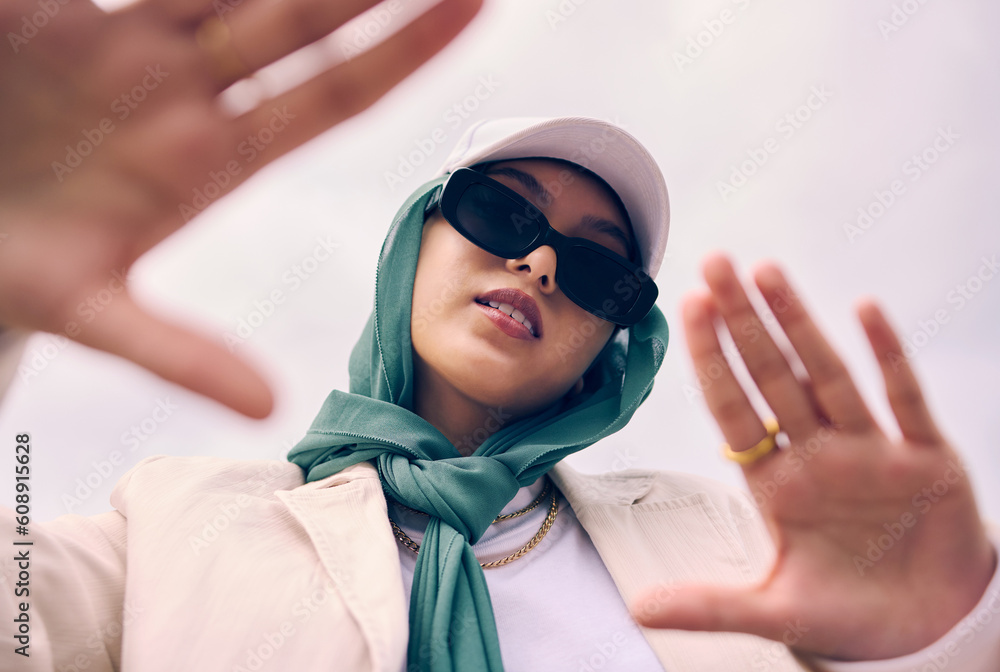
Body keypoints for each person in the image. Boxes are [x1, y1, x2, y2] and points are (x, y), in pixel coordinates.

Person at [0, 2, 997, 672]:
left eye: (599, 268)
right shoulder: (175, 524)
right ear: (410, 248)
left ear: (615, 343)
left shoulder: (733, 548)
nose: (539, 266)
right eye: (501, 215)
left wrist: (948, 632)